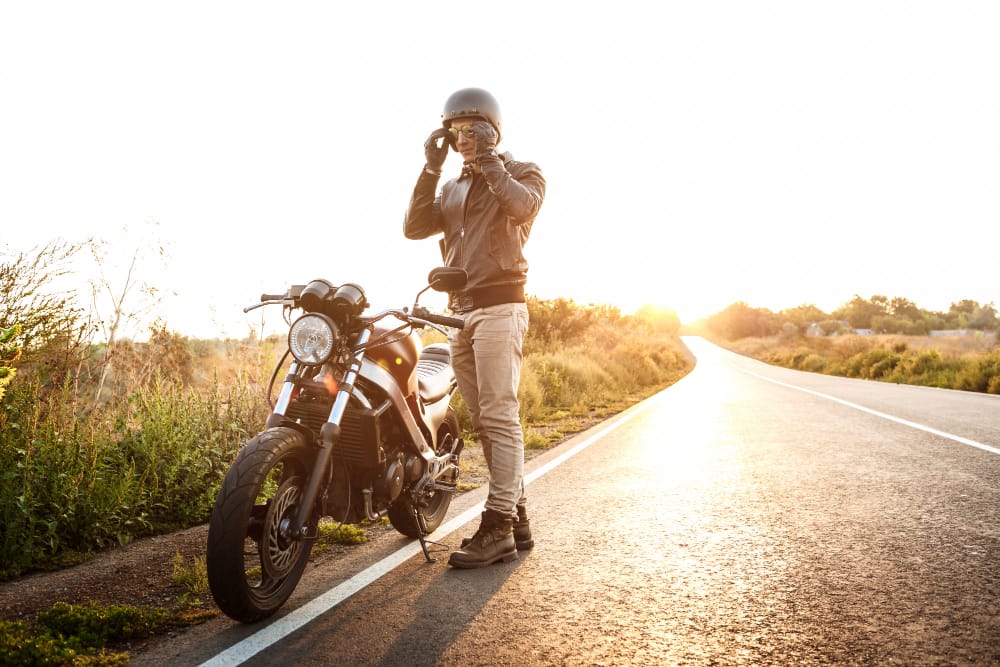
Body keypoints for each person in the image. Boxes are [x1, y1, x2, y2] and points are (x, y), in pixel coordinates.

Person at [404, 87, 546, 569]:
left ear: (492, 130)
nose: (462, 139)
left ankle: (499, 525)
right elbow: (414, 226)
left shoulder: (522, 172)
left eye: (472, 130)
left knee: (500, 415)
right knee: (484, 421)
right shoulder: (451, 187)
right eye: (453, 131)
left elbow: (522, 207)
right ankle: (518, 515)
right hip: (458, 314)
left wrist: (489, 160)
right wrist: (430, 169)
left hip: (501, 308)